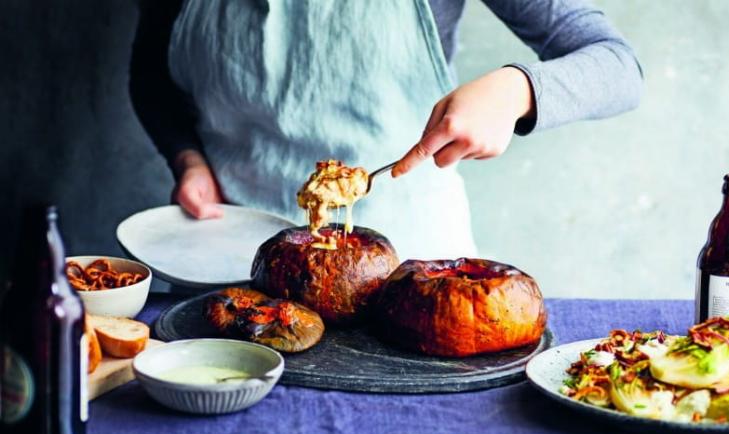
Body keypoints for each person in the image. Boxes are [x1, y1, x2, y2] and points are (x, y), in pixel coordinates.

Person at [130, 0, 642, 260]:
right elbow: (152, 73)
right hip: (232, 260)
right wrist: (186, 158)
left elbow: (618, 66)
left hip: (410, 266)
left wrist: (516, 90)